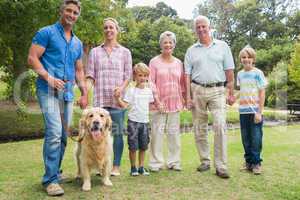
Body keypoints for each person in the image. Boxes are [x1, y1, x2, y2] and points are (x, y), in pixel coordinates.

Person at [27, 0, 88, 196]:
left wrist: (84, 93)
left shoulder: (77, 43)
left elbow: (79, 70)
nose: (71, 15)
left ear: (78, 16)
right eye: (68, 11)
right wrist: (48, 77)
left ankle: (56, 171)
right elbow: (32, 58)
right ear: (61, 11)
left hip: (68, 94)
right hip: (47, 91)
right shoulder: (46, 33)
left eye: (75, 12)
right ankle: (50, 180)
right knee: (54, 132)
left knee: (63, 136)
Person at [184, 15, 235, 179]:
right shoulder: (191, 50)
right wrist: (188, 97)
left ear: (209, 27)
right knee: (200, 128)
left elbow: (229, 72)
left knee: (220, 125)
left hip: (218, 90)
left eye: (203, 26)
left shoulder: (222, 46)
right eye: (198, 27)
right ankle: (205, 161)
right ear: (195, 29)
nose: (201, 29)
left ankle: (221, 166)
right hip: (197, 89)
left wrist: (231, 93)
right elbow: (187, 75)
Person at [86, 18, 132, 176]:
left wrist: (122, 87)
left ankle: (116, 166)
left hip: (117, 101)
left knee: (117, 133)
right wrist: (85, 94)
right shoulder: (94, 52)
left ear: (117, 30)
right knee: (97, 134)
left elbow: (128, 75)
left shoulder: (125, 52)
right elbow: (90, 76)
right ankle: (101, 166)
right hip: (99, 101)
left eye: (111, 27)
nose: (108, 30)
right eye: (105, 28)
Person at [148, 31, 186, 172]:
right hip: (158, 104)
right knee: (157, 135)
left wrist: (183, 99)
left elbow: (181, 83)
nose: (168, 44)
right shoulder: (154, 62)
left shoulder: (178, 63)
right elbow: (150, 82)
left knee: (174, 135)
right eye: (165, 42)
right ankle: (155, 163)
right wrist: (157, 101)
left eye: (170, 42)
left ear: (174, 45)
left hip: (174, 103)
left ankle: (174, 162)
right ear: (161, 45)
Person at [115, 63, 154, 176]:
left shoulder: (148, 90)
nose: (143, 78)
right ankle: (133, 168)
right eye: (140, 75)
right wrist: (118, 99)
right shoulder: (131, 90)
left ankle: (141, 167)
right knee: (133, 146)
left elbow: (150, 105)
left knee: (143, 146)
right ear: (135, 76)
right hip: (133, 122)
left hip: (145, 122)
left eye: (145, 75)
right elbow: (125, 106)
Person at [237, 46, 267, 175]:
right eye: (244, 57)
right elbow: (242, 91)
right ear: (241, 59)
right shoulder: (240, 74)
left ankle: (256, 163)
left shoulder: (258, 73)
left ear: (253, 59)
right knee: (246, 138)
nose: (246, 59)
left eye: (249, 57)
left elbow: (262, 93)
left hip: (255, 111)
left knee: (256, 138)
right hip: (243, 111)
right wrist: (233, 98)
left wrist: (259, 112)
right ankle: (248, 162)